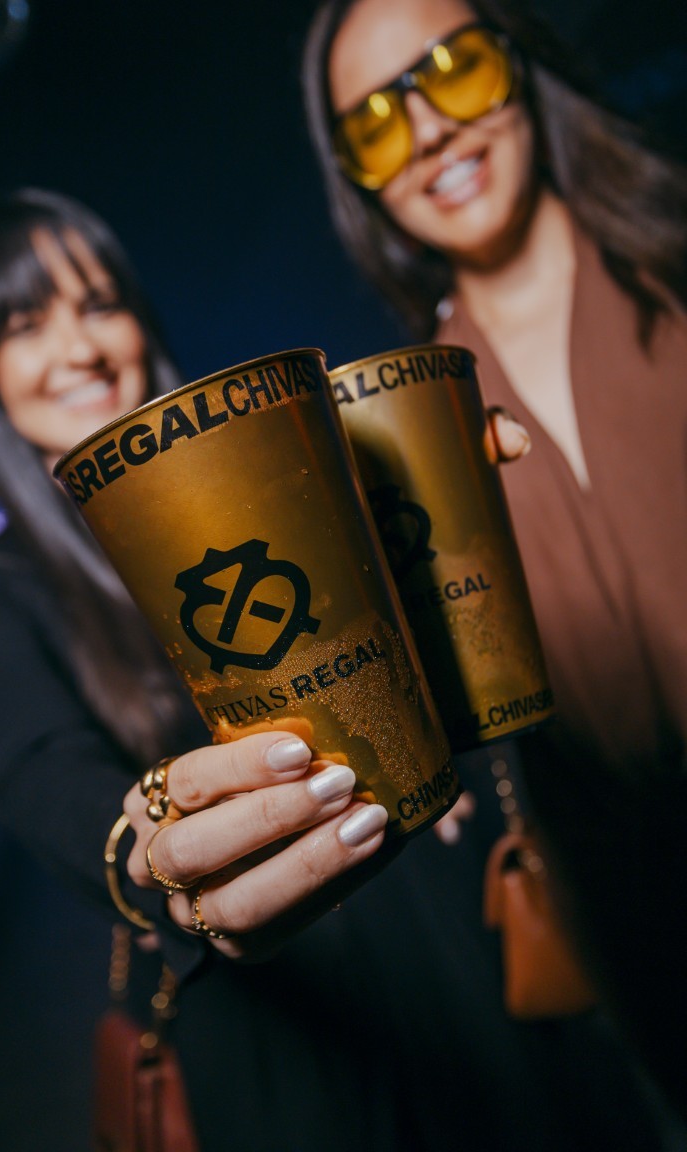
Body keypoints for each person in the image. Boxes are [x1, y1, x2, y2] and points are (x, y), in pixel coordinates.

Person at [0, 186, 681, 1152]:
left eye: (100, 303)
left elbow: (414, 627)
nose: (80, 348)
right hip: (281, 1020)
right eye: (26, 323)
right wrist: (148, 854)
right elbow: (42, 774)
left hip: (442, 929)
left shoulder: (287, 481)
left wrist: (451, 494)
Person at [302, 0, 687, 1116]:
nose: (428, 130)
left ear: (518, 65)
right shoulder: (402, 435)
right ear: (359, 179)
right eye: (375, 124)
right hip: (644, 924)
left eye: (452, 69)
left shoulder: (672, 256)